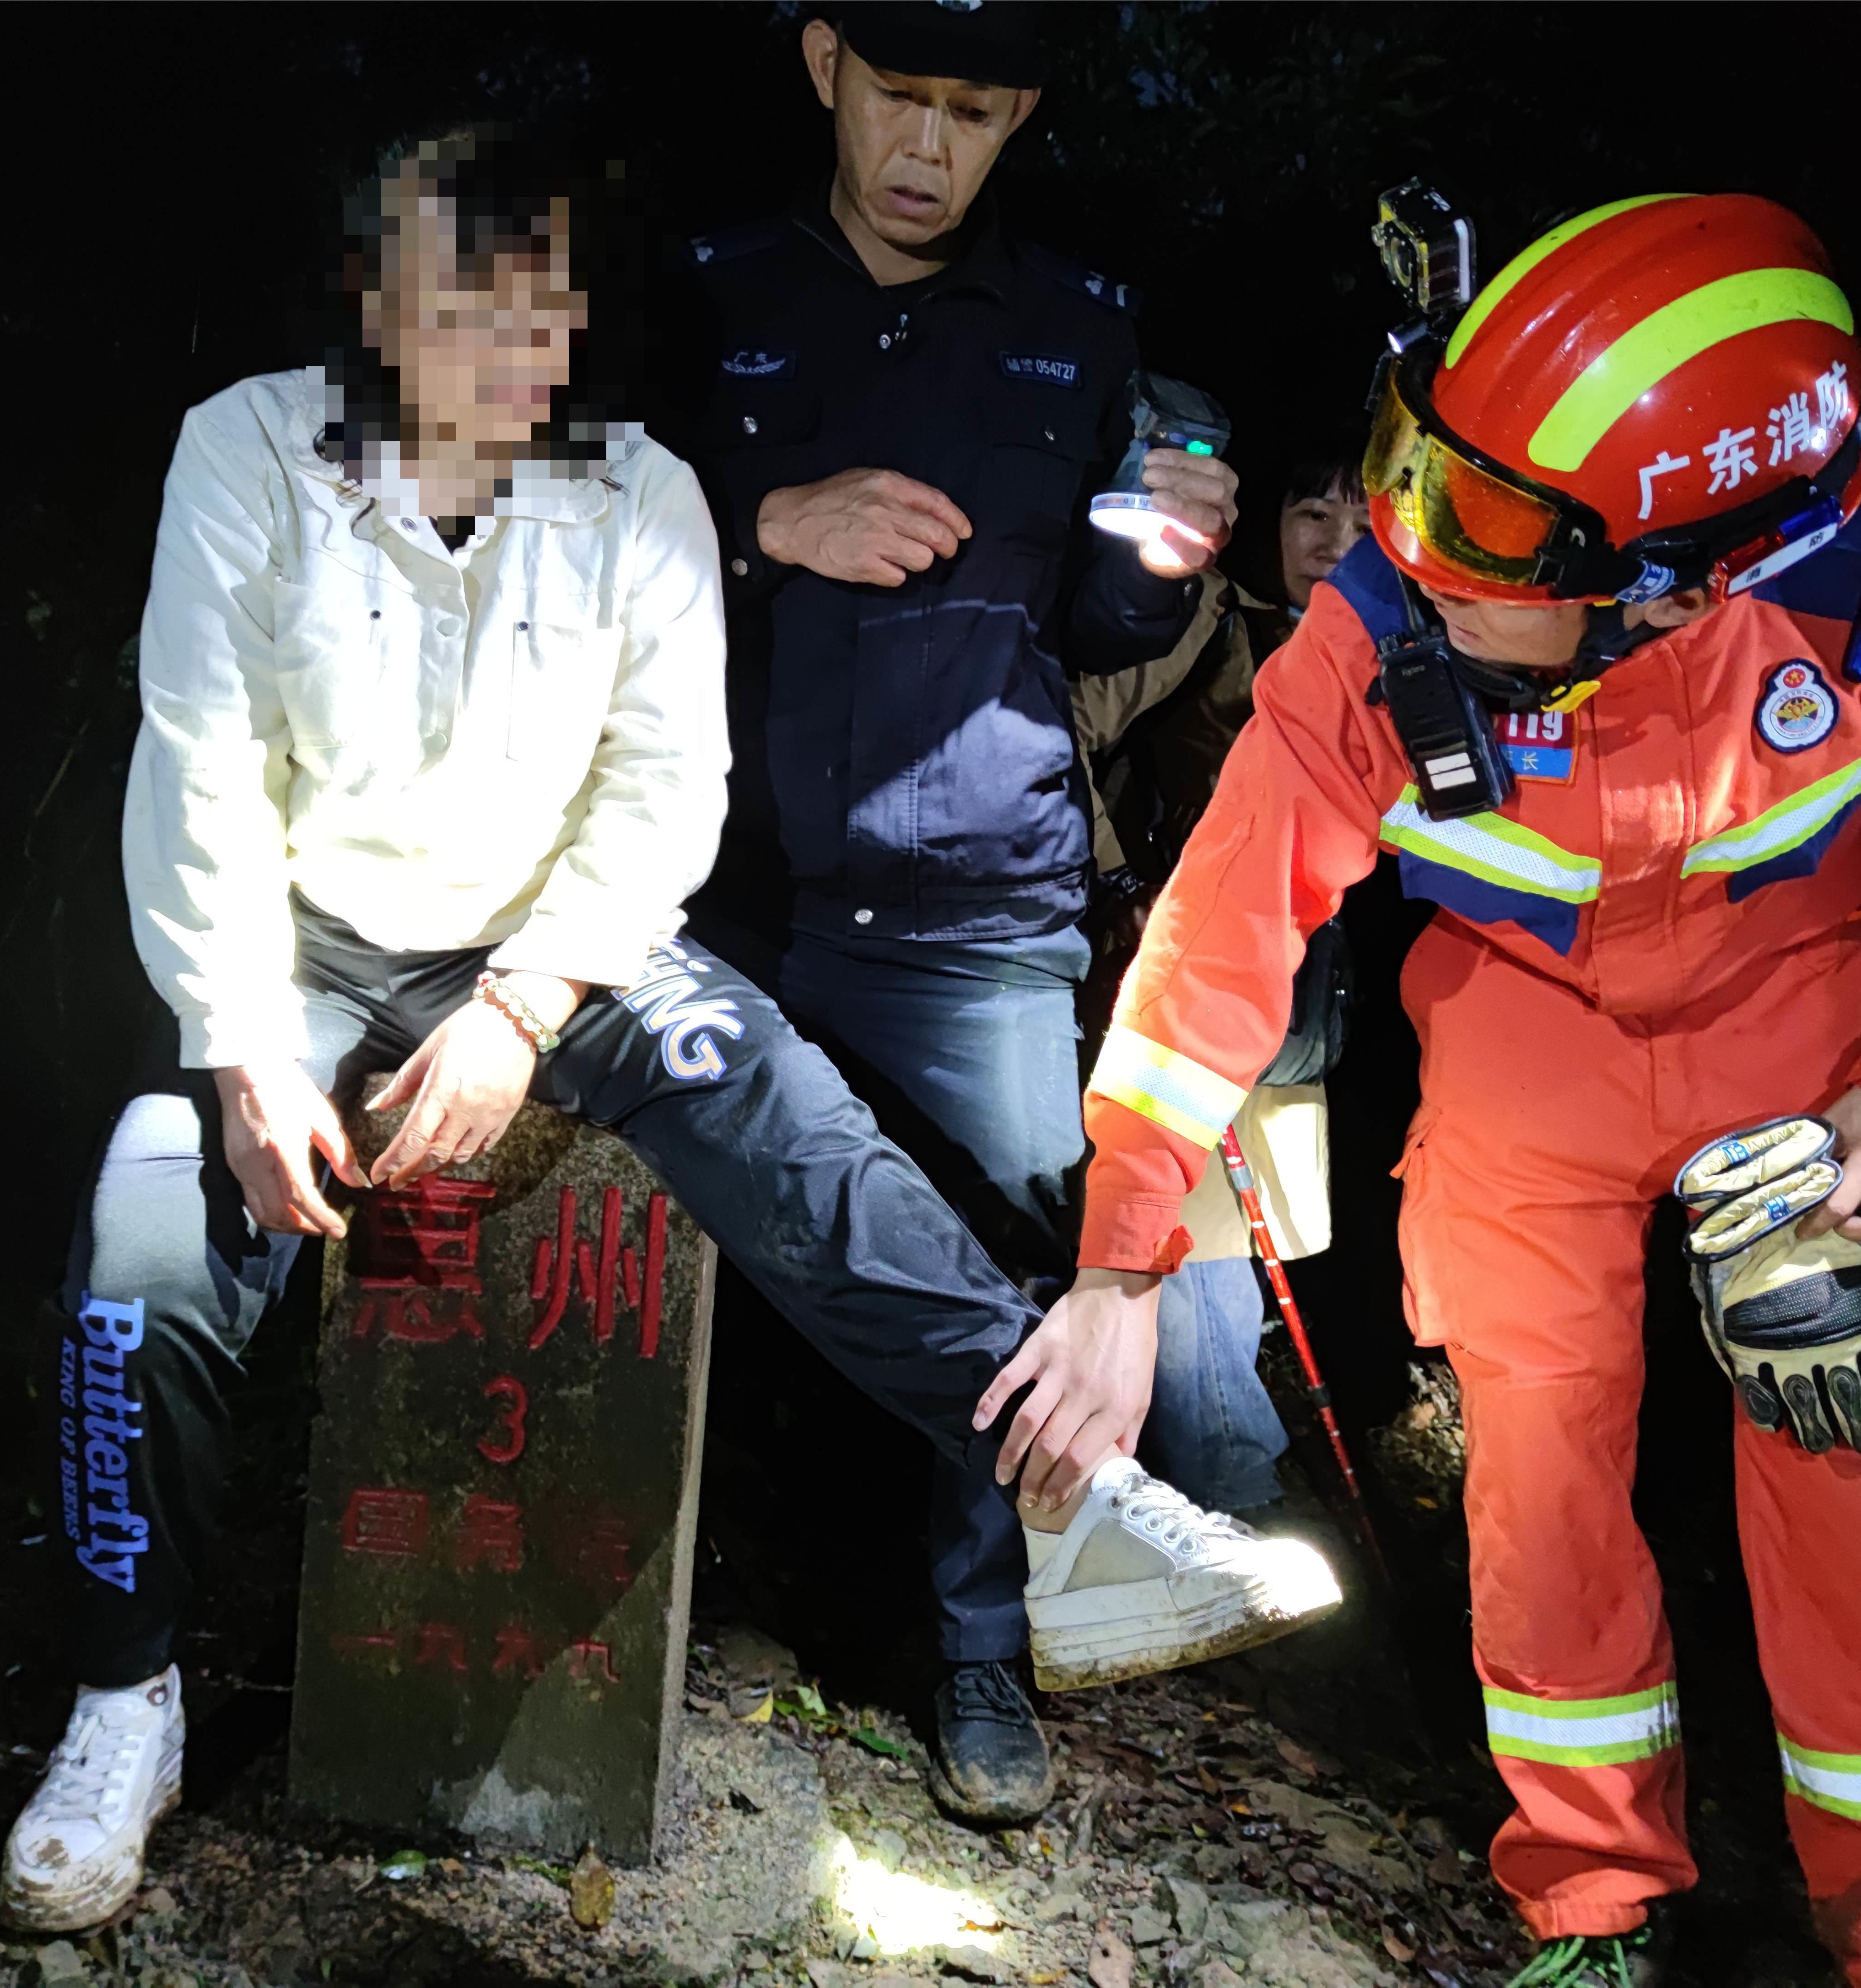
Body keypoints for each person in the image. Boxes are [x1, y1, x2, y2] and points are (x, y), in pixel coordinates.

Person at [0, 125, 1335, 1934]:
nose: (509, 357)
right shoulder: (250, 448)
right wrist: (242, 1047)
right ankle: (121, 1696)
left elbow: (657, 796)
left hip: (564, 942)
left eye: (540, 317)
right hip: (301, 944)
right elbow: (197, 761)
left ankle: (1075, 1486)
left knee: (791, 1120)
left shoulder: (630, 491)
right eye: (463, 311)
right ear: (373, 308)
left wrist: (521, 1008)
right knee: (144, 1241)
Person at [1045, 192, 1861, 1987]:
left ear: (1677, 572)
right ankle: (1590, 1901)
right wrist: (1120, 1256)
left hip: (1803, 1047)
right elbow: (1221, 929)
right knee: (1535, 1479)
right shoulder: (1395, 606)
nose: (1411, 544)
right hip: (1518, 1046)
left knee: (1839, 1453)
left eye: (1488, 533)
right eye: (1425, 473)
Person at [669, 1, 1242, 1822]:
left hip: (981, 911)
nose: (930, 147)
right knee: (723, 1229)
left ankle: (985, 1661)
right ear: (823, 62)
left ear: (1019, 120)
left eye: (974, 113)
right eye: (902, 97)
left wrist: (1160, 562)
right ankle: (656, 1598)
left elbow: (1096, 629)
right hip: (727, 889)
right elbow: (569, 530)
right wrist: (769, 516)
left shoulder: (1073, 328)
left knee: (1013, 1265)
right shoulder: (708, 290)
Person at [1072, 444, 1367, 1516]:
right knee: (1190, 1228)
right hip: (1195, 969)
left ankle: (1228, 1474)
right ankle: (1226, 1492)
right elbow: (1064, 719)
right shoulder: (1216, 622)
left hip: (1303, 983)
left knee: (1264, 1228)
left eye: (1361, 519)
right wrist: (1116, 885)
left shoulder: (1404, 633)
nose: (1335, 547)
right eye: (1309, 516)